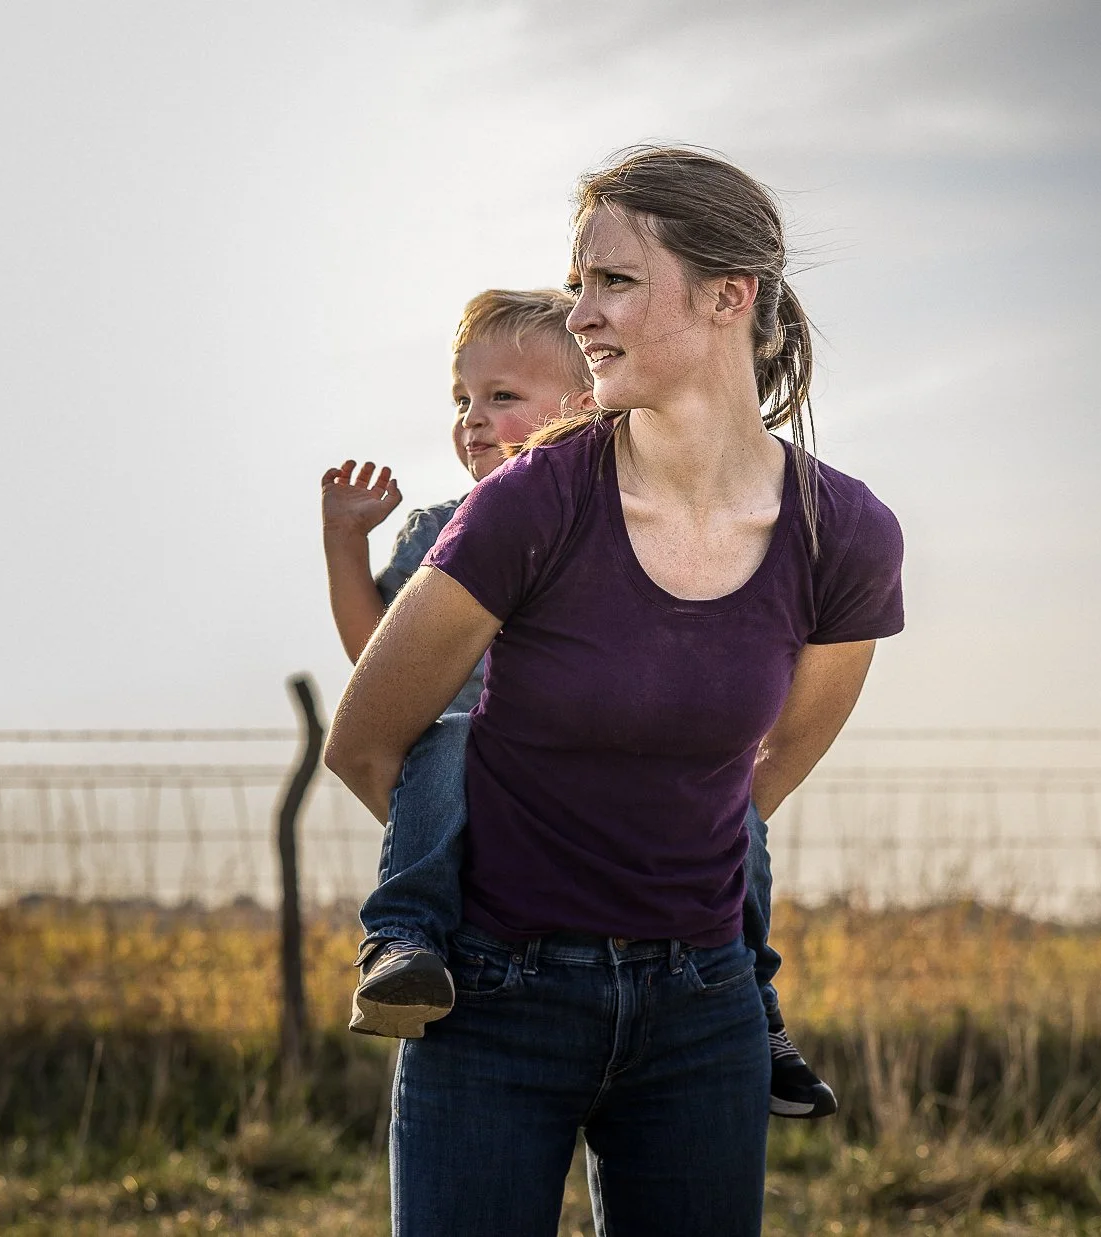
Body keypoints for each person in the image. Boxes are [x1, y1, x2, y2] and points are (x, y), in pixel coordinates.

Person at [325, 146, 905, 1237]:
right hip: (491, 1008)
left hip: (706, 1021)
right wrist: (519, 879)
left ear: (731, 296)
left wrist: (655, 872)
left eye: (616, 282)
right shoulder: (528, 506)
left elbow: (764, 772)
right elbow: (367, 742)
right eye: (579, 280)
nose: (581, 314)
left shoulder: (848, 536)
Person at [324, 287, 841, 1121]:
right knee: (451, 738)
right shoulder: (437, 529)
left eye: (501, 397)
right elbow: (373, 667)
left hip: (605, 796)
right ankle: (404, 939)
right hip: (476, 791)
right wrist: (344, 540)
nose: (472, 420)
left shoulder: (621, 526)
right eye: (463, 399)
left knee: (730, 800)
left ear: (583, 403)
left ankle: (754, 998)